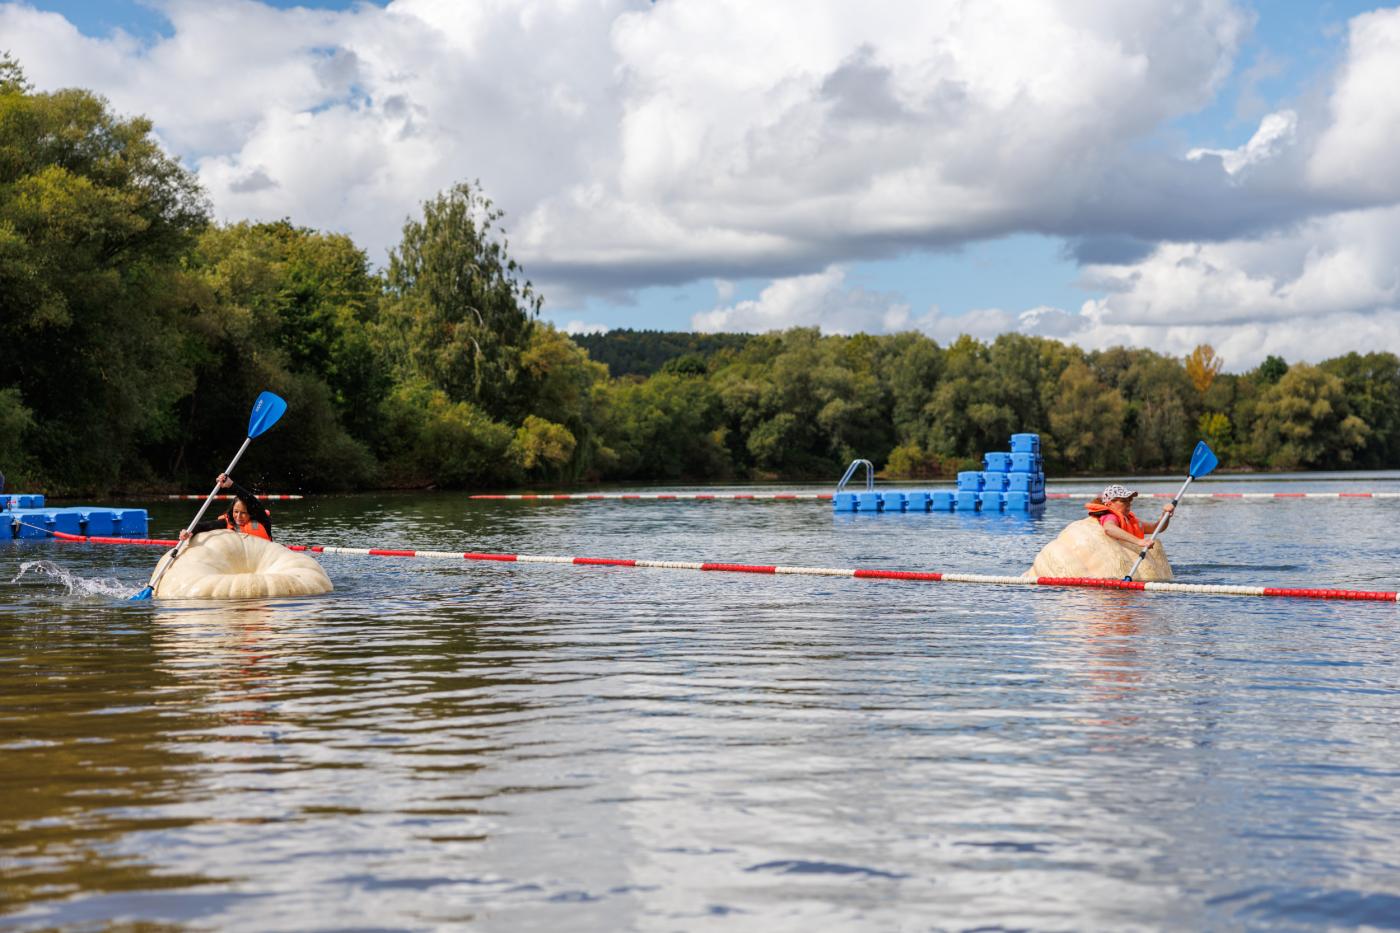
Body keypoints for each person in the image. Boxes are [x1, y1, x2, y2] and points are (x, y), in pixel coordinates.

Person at [180, 474, 273, 542]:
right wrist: (188, 531)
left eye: (243, 513)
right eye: (236, 511)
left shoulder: (262, 520)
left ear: (251, 513)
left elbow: (253, 502)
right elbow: (204, 526)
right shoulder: (228, 522)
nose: (238, 516)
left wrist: (231, 484)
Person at [1086, 483, 1173, 549]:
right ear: (1109, 504)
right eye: (1123, 501)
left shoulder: (1130, 519)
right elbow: (1109, 528)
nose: (1128, 504)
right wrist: (1139, 541)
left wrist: (1165, 515)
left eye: (1129, 500)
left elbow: (1156, 528)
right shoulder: (1110, 516)